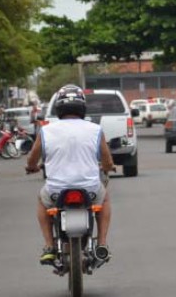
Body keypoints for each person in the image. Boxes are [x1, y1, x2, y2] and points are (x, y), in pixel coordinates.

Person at [25, 85, 115, 266]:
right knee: (104, 199)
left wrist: (31, 167)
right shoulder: (95, 129)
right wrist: (108, 167)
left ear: (59, 108)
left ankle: (49, 246)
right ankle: (102, 244)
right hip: (89, 190)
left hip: (56, 191)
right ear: (82, 107)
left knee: (42, 202)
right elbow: (107, 161)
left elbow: (32, 159)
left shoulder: (46, 130)